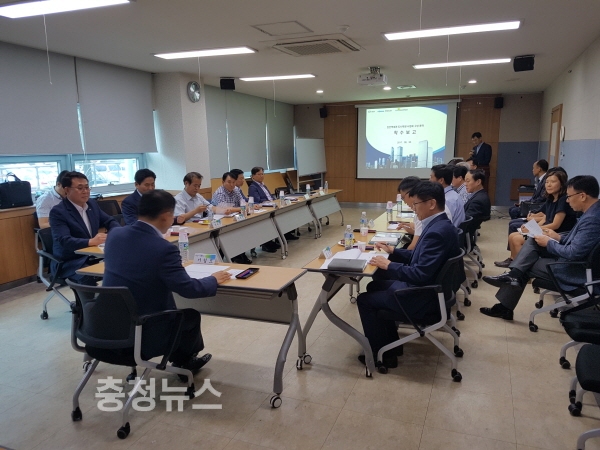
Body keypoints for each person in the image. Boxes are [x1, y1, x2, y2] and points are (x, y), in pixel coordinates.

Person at [103, 189, 231, 373]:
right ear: (166, 215)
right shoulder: (163, 248)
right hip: (142, 331)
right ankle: (185, 363)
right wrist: (212, 279)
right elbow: (188, 289)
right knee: (189, 316)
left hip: (105, 326)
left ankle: (182, 360)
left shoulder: (115, 235)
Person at [356, 182, 460, 368]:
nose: (413, 209)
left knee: (364, 300)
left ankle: (381, 355)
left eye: (416, 205)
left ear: (431, 204)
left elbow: (419, 273)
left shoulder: (436, 232)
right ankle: (390, 346)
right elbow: (418, 257)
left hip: (423, 296)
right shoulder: (439, 224)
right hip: (431, 289)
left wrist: (389, 265)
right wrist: (393, 251)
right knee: (373, 286)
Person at [480, 175, 600, 321]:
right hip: (576, 262)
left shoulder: (592, 220)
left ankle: (507, 299)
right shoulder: (594, 212)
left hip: (576, 270)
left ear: (582, 196)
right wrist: (558, 237)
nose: (567, 201)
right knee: (532, 244)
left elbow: (572, 253)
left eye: (569, 197)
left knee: (525, 265)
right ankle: (512, 279)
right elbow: (577, 241)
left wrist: (549, 243)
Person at [49, 171, 120, 285]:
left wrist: (115, 234)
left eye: (87, 187)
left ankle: (114, 295)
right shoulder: (58, 212)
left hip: (92, 255)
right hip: (69, 261)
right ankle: (92, 298)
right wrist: (90, 242)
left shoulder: (91, 204)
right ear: (67, 190)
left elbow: (110, 221)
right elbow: (64, 240)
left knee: (120, 266)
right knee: (88, 276)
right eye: (80, 188)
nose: (85, 191)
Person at [495, 170, 576, 267]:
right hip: (547, 230)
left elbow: (555, 225)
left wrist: (533, 230)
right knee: (512, 236)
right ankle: (513, 261)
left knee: (516, 239)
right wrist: (530, 227)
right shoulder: (551, 198)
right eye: (547, 182)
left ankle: (521, 269)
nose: (549, 185)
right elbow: (545, 218)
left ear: (562, 184)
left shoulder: (563, 200)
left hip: (556, 235)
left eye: (553, 182)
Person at [249, 166, 299, 242]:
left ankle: (286, 234)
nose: (261, 176)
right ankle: (278, 237)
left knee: (285, 213)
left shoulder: (263, 185)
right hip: (264, 207)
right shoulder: (253, 187)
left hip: (271, 204)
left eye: (262, 174)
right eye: (259, 174)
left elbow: (270, 196)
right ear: (253, 176)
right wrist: (270, 201)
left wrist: (274, 201)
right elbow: (257, 200)